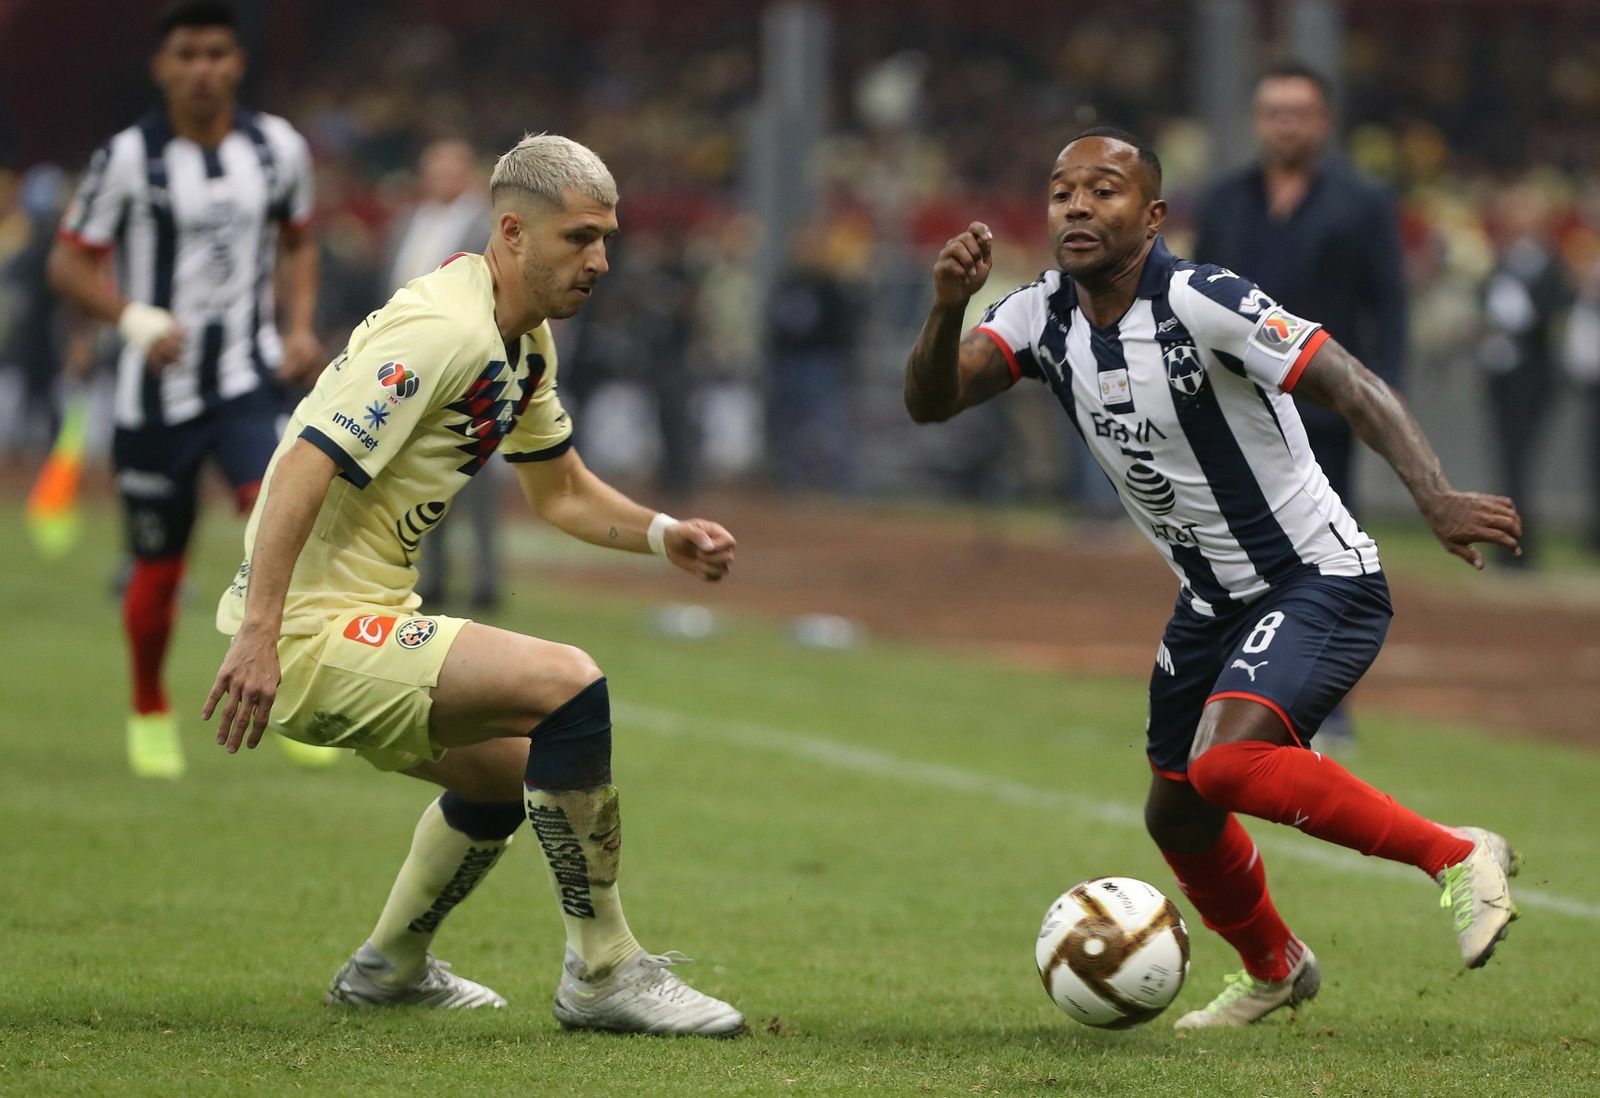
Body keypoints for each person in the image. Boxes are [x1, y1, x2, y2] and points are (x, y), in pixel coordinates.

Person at [905, 129, 1523, 1028]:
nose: (1078, 207)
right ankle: (1276, 968)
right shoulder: (1040, 315)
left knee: (1229, 762)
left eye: (1104, 190)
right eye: (1063, 191)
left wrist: (1435, 496)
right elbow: (931, 401)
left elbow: (1349, 381)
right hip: (1212, 602)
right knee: (1179, 817)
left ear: (1152, 216)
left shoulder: (1205, 301)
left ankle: (1458, 856)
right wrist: (945, 310)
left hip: (1318, 578)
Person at [201, 133, 745, 1035]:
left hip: (363, 617)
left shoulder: (522, 342)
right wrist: (261, 631)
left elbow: (559, 490)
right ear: (512, 232)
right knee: (570, 684)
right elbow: (302, 463)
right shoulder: (440, 332)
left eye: (606, 238)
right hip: (309, 631)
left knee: (511, 776)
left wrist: (663, 535)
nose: (600, 261)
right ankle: (605, 969)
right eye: (579, 238)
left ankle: (387, 967)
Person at [47, 0, 322, 780]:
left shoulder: (278, 148)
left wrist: (300, 327)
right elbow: (67, 262)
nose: (203, 68)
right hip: (153, 397)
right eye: (188, 54)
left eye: (217, 53)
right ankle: (149, 708)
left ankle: (294, 700)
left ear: (238, 63)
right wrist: (130, 316)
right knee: (159, 568)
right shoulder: (128, 158)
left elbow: (300, 240)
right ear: (162, 67)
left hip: (247, 383)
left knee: (284, 527)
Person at [1194, 61, 1409, 745]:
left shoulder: (1363, 202)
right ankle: (1234, 692)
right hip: (1234, 408)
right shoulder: (1223, 199)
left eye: (1299, 113)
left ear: (1324, 122)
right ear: (1257, 122)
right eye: (1274, 113)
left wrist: (1383, 392)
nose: (1286, 125)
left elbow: (1390, 301)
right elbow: (1189, 296)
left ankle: (1324, 703)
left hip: (1323, 409)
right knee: (1229, 548)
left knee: (1328, 555)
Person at [381, 138, 500, 608]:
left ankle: (486, 581)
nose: (439, 178)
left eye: (449, 169)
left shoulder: (487, 223)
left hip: (470, 360)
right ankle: (430, 576)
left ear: (468, 173)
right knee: (419, 469)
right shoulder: (406, 221)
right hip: (410, 363)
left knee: (475, 474)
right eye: (433, 169)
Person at [1476, 181, 1571, 568]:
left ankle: (1520, 547)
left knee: (1520, 462)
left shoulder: (1550, 263)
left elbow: (1550, 313)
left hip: (1532, 378)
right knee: (1506, 461)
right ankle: (1507, 545)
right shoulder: (1503, 260)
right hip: (1501, 374)